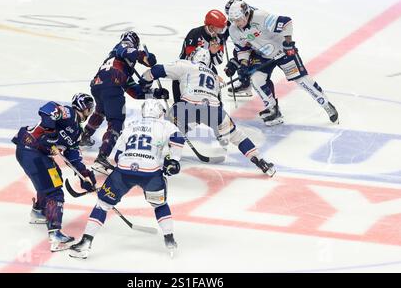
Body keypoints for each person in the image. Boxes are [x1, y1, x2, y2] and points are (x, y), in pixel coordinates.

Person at [69, 99, 185, 259]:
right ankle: (169, 239)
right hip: (150, 173)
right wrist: (174, 160)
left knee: (102, 205)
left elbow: (117, 156)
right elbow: (178, 138)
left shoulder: (132, 124)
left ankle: (85, 242)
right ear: (160, 112)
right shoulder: (166, 125)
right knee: (160, 205)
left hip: (123, 171)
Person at [141, 47, 276, 176]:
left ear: (193, 57)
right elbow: (217, 102)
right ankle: (260, 161)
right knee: (236, 136)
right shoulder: (214, 76)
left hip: (188, 105)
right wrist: (220, 131)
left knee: (163, 128)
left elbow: (157, 70)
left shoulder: (186, 64)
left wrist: (145, 84)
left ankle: (147, 153)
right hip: (214, 109)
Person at [224, 0, 339, 126]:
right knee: (256, 80)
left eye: (238, 19)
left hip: (283, 52)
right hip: (262, 55)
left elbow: (286, 23)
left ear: (246, 14)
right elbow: (242, 48)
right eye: (233, 20)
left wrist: (288, 44)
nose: (236, 23)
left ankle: (326, 104)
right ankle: (273, 109)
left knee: (302, 81)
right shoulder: (234, 30)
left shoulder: (260, 16)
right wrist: (244, 63)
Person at [12, 93, 98, 252]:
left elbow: (72, 154)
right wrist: (51, 131)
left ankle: (39, 211)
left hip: (35, 153)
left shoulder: (77, 132)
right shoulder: (69, 114)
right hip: (31, 149)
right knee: (54, 192)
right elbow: (48, 109)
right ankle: (55, 235)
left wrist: (84, 175)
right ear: (82, 107)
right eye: (89, 109)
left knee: (54, 177)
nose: (90, 112)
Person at [78, 31, 169, 173]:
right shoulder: (123, 47)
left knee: (100, 111)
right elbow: (127, 51)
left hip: (98, 84)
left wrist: (156, 94)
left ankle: (85, 136)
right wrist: (144, 57)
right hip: (111, 83)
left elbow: (136, 92)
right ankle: (102, 157)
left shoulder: (121, 66)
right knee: (116, 122)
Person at [173, 10, 228, 103]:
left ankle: (217, 106)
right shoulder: (194, 34)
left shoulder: (219, 38)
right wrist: (209, 53)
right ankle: (179, 107)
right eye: (219, 28)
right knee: (176, 79)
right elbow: (189, 58)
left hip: (208, 69)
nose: (221, 31)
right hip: (187, 69)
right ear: (211, 27)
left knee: (215, 79)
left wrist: (213, 53)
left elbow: (218, 62)